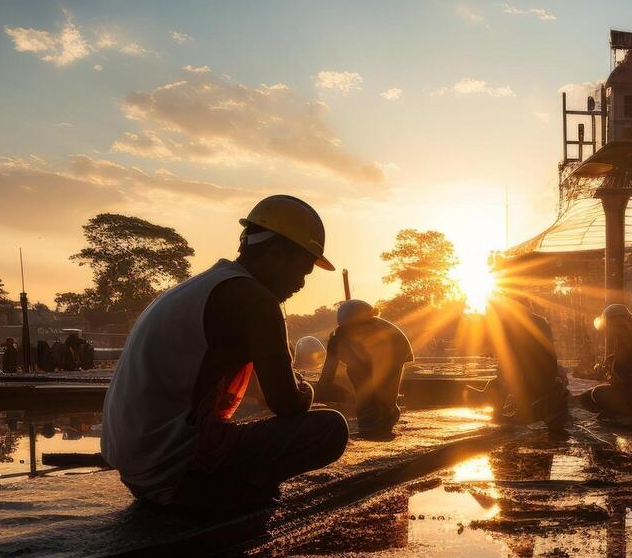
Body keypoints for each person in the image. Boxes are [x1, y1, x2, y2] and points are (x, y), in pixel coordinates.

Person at [102, 194, 350, 510]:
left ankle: (231, 485)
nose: (301, 284)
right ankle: (229, 494)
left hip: (139, 467)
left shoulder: (208, 285)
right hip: (175, 471)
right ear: (277, 254)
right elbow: (287, 404)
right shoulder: (255, 300)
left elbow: (257, 387)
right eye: (302, 270)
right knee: (331, 430)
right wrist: (306, 389)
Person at [314, 299, 413, 435]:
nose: (367, 327)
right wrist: (318, 392)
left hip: (395, 351)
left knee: (384, 395)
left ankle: (386, 418)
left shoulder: (386, 338)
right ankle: (369, 418)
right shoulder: (338, 338)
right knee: (359, 379)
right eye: (351, 327)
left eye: (369, 323)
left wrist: (384, 404)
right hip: (362, 358)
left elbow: (384, 382)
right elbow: (327, 374)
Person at [476, 295, 568, 426]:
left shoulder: (511, 326)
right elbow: (550, 357)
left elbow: (509, 364)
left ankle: (501, 416)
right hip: (547, 381)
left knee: (497, 384)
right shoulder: (540, 321)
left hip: (534, 382)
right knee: (500, 381)